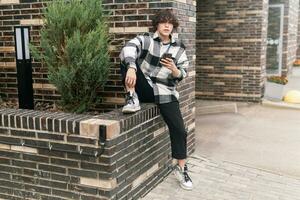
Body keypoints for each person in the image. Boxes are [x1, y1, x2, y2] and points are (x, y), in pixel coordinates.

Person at [119, 9, 193, 190]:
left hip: (166, 91)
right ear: (157, 25)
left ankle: (181, 168)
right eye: (163, 22)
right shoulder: (147, 40)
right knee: (127, 58)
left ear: (173, 26)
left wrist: (174, 69)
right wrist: (131, 67)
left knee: (180, 131)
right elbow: (128, 48)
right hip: (145, 88)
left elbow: (182, 73)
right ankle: (131, 97)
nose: (167, 25)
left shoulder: (179, 48)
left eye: (170, 23)